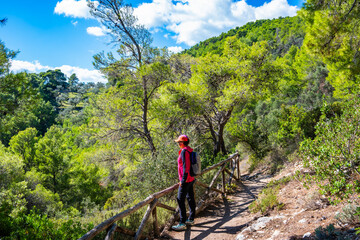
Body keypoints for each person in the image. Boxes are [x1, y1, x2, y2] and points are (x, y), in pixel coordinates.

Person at [172, 135, 196, 231]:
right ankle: (191, 219)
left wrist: (182, 180)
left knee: (180, 199)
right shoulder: (189, 150)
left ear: (182, 143)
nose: (178, 144)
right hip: (191, 179)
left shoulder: (184, 151)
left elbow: (186, 167)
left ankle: (182, 222)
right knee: (190, 198)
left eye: (179, 142)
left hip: (186, 180)